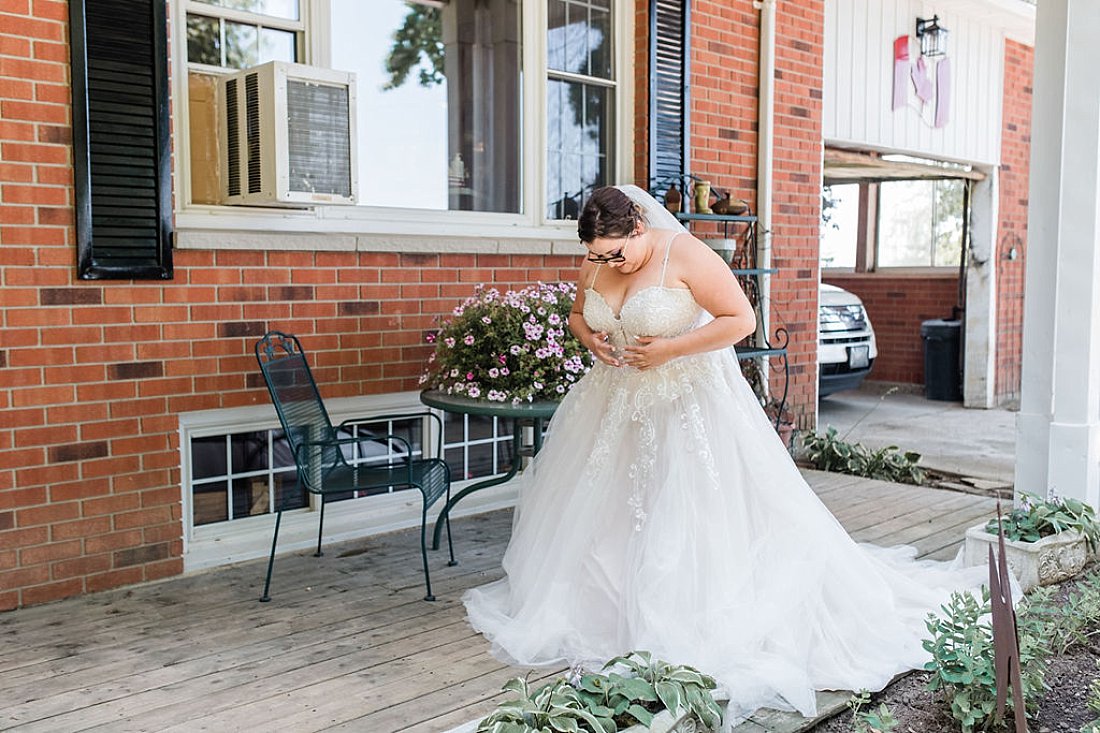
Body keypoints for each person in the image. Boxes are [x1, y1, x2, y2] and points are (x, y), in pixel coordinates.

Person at [462, 184, 986, 727]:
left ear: (638, 227)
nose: (607, 262)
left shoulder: (685, 254)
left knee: (683, 515)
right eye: (598, 254)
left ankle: (678, 617)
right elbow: (578, 314)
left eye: (616, 253)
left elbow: (741, 321)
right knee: (608, 514)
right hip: (613, 405)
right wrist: (589, 339)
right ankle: (603, 610)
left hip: (684, 404)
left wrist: (668, 348)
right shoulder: (597, 258)